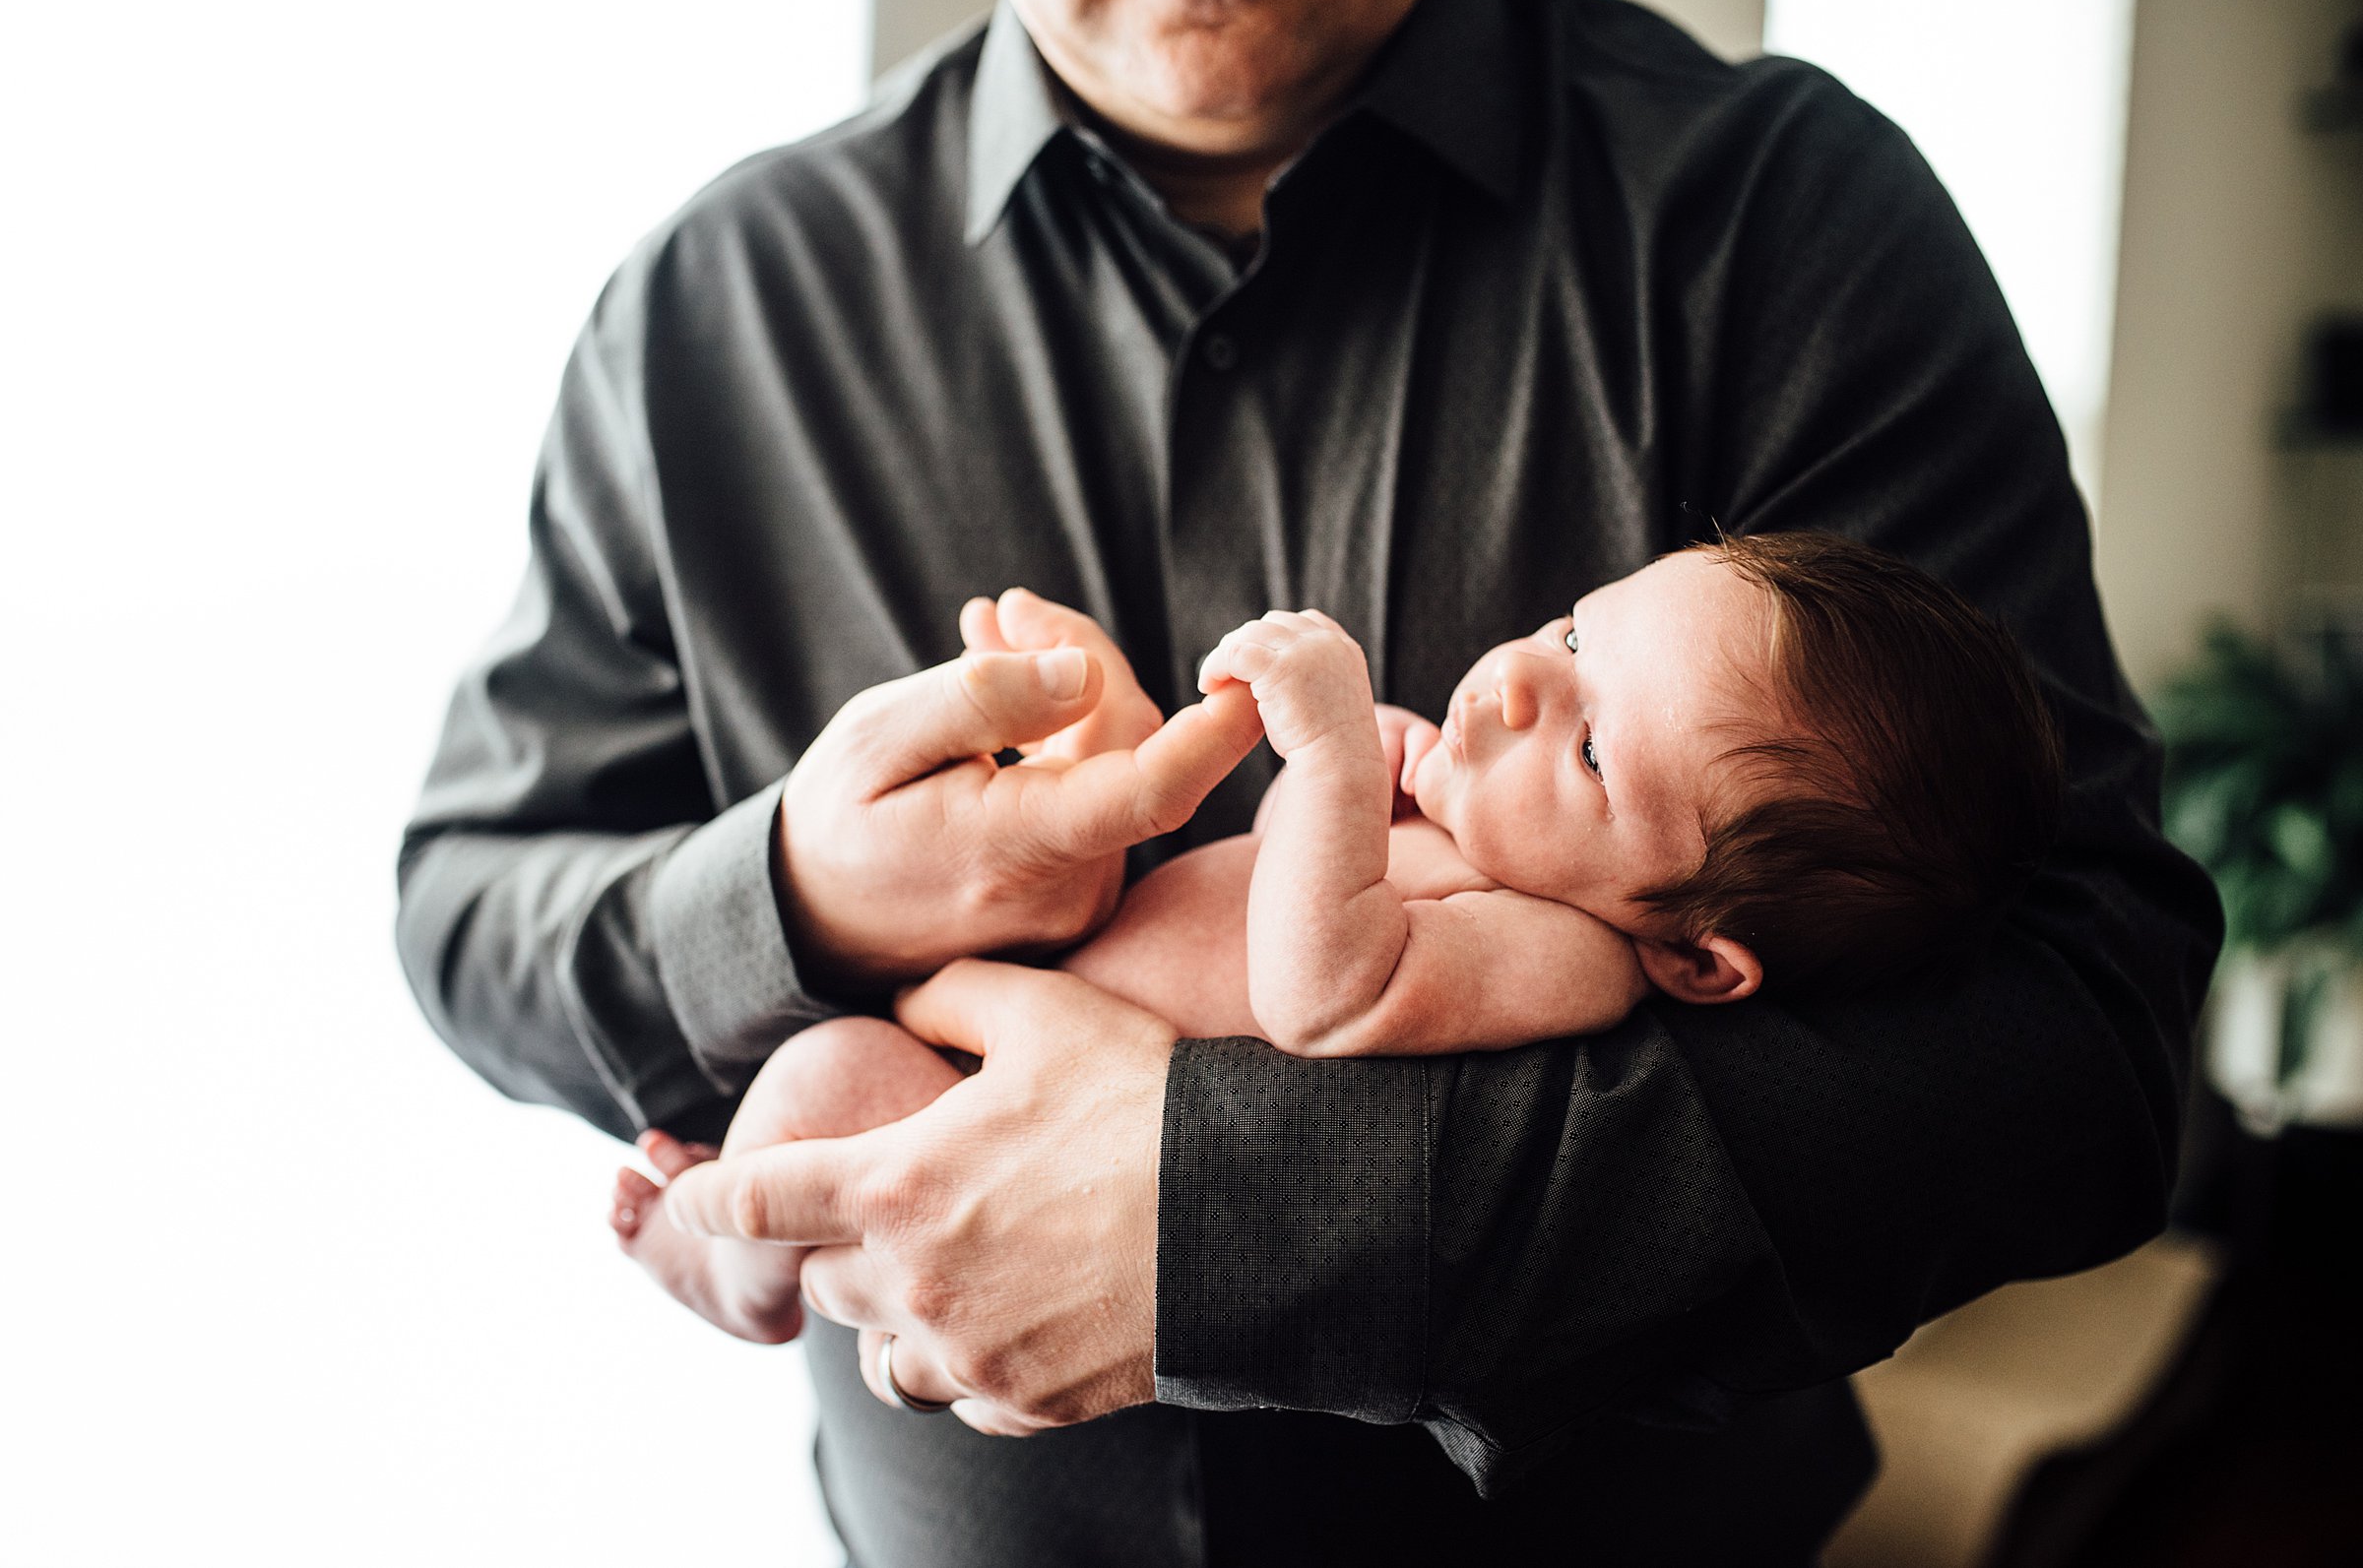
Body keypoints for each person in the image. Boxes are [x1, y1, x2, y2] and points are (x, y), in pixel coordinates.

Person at [397, 0, 2221, 1561]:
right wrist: (791, 890)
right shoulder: (719, 306)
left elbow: (2080, 1040)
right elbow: (474, 902)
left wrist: (1244, 1220)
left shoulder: (1778, 220)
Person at [613, 532, 2068, 1351]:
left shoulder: (1568, 953)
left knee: (821, 1096)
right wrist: (1233, 772)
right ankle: (1095, 735)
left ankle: (733, 1276)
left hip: (982, 1109)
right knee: (1078, 820)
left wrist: (1322, 765)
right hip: (1060, 971)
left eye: (1594, 756)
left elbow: (1329, 993)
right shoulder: (1490, 839)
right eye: (1572, 635)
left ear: (1698, 954)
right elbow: (1239, 902)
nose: (1507, 687)